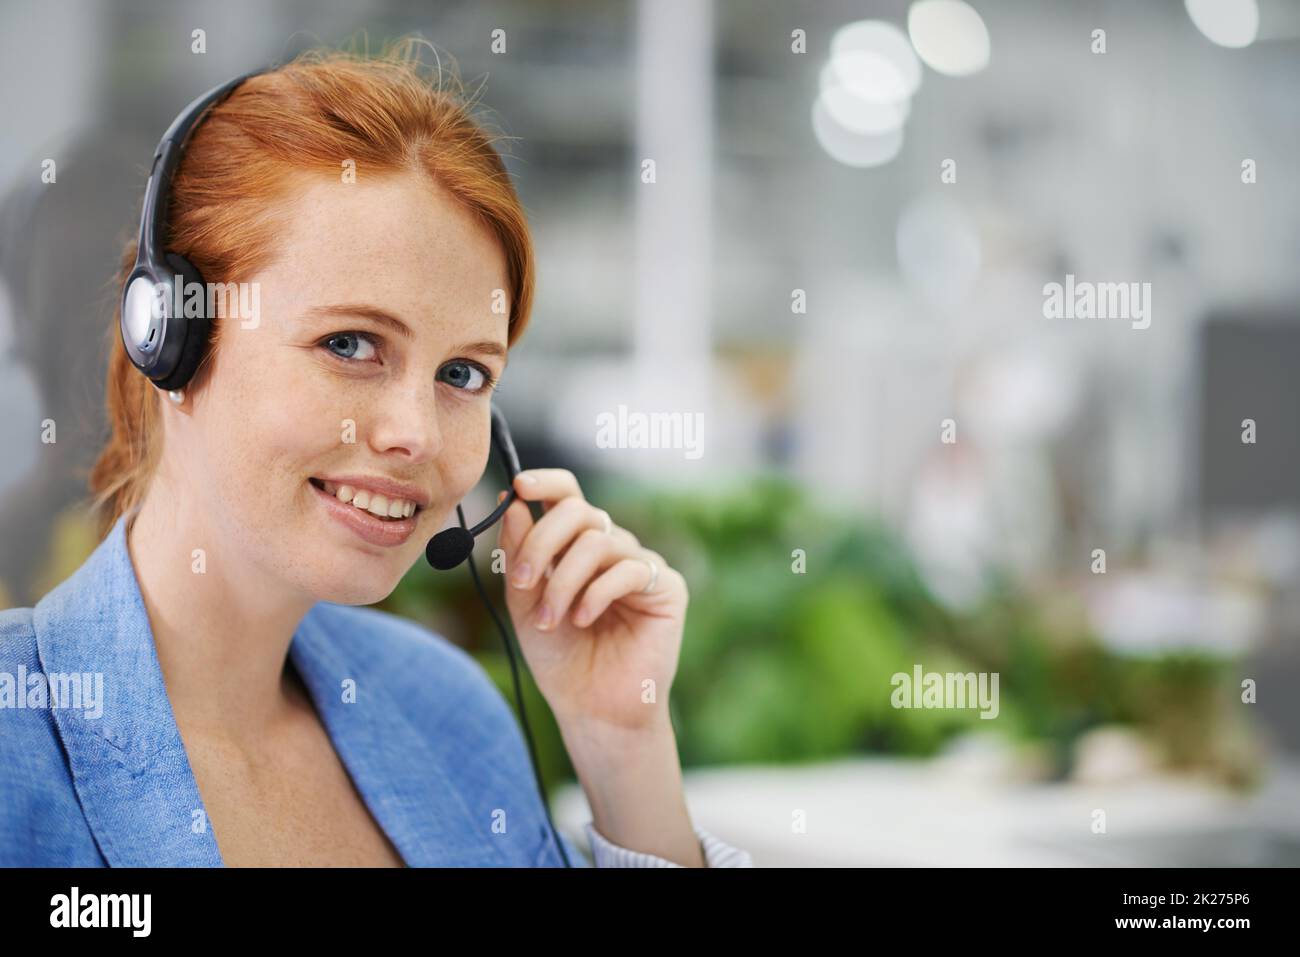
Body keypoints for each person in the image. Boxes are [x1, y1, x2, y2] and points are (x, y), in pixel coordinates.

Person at [0, 39, 751, 868]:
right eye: (350, 342)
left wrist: (622, 743)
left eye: (463, 372)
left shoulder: (446, 714)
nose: (417, 435)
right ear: (170, 340)